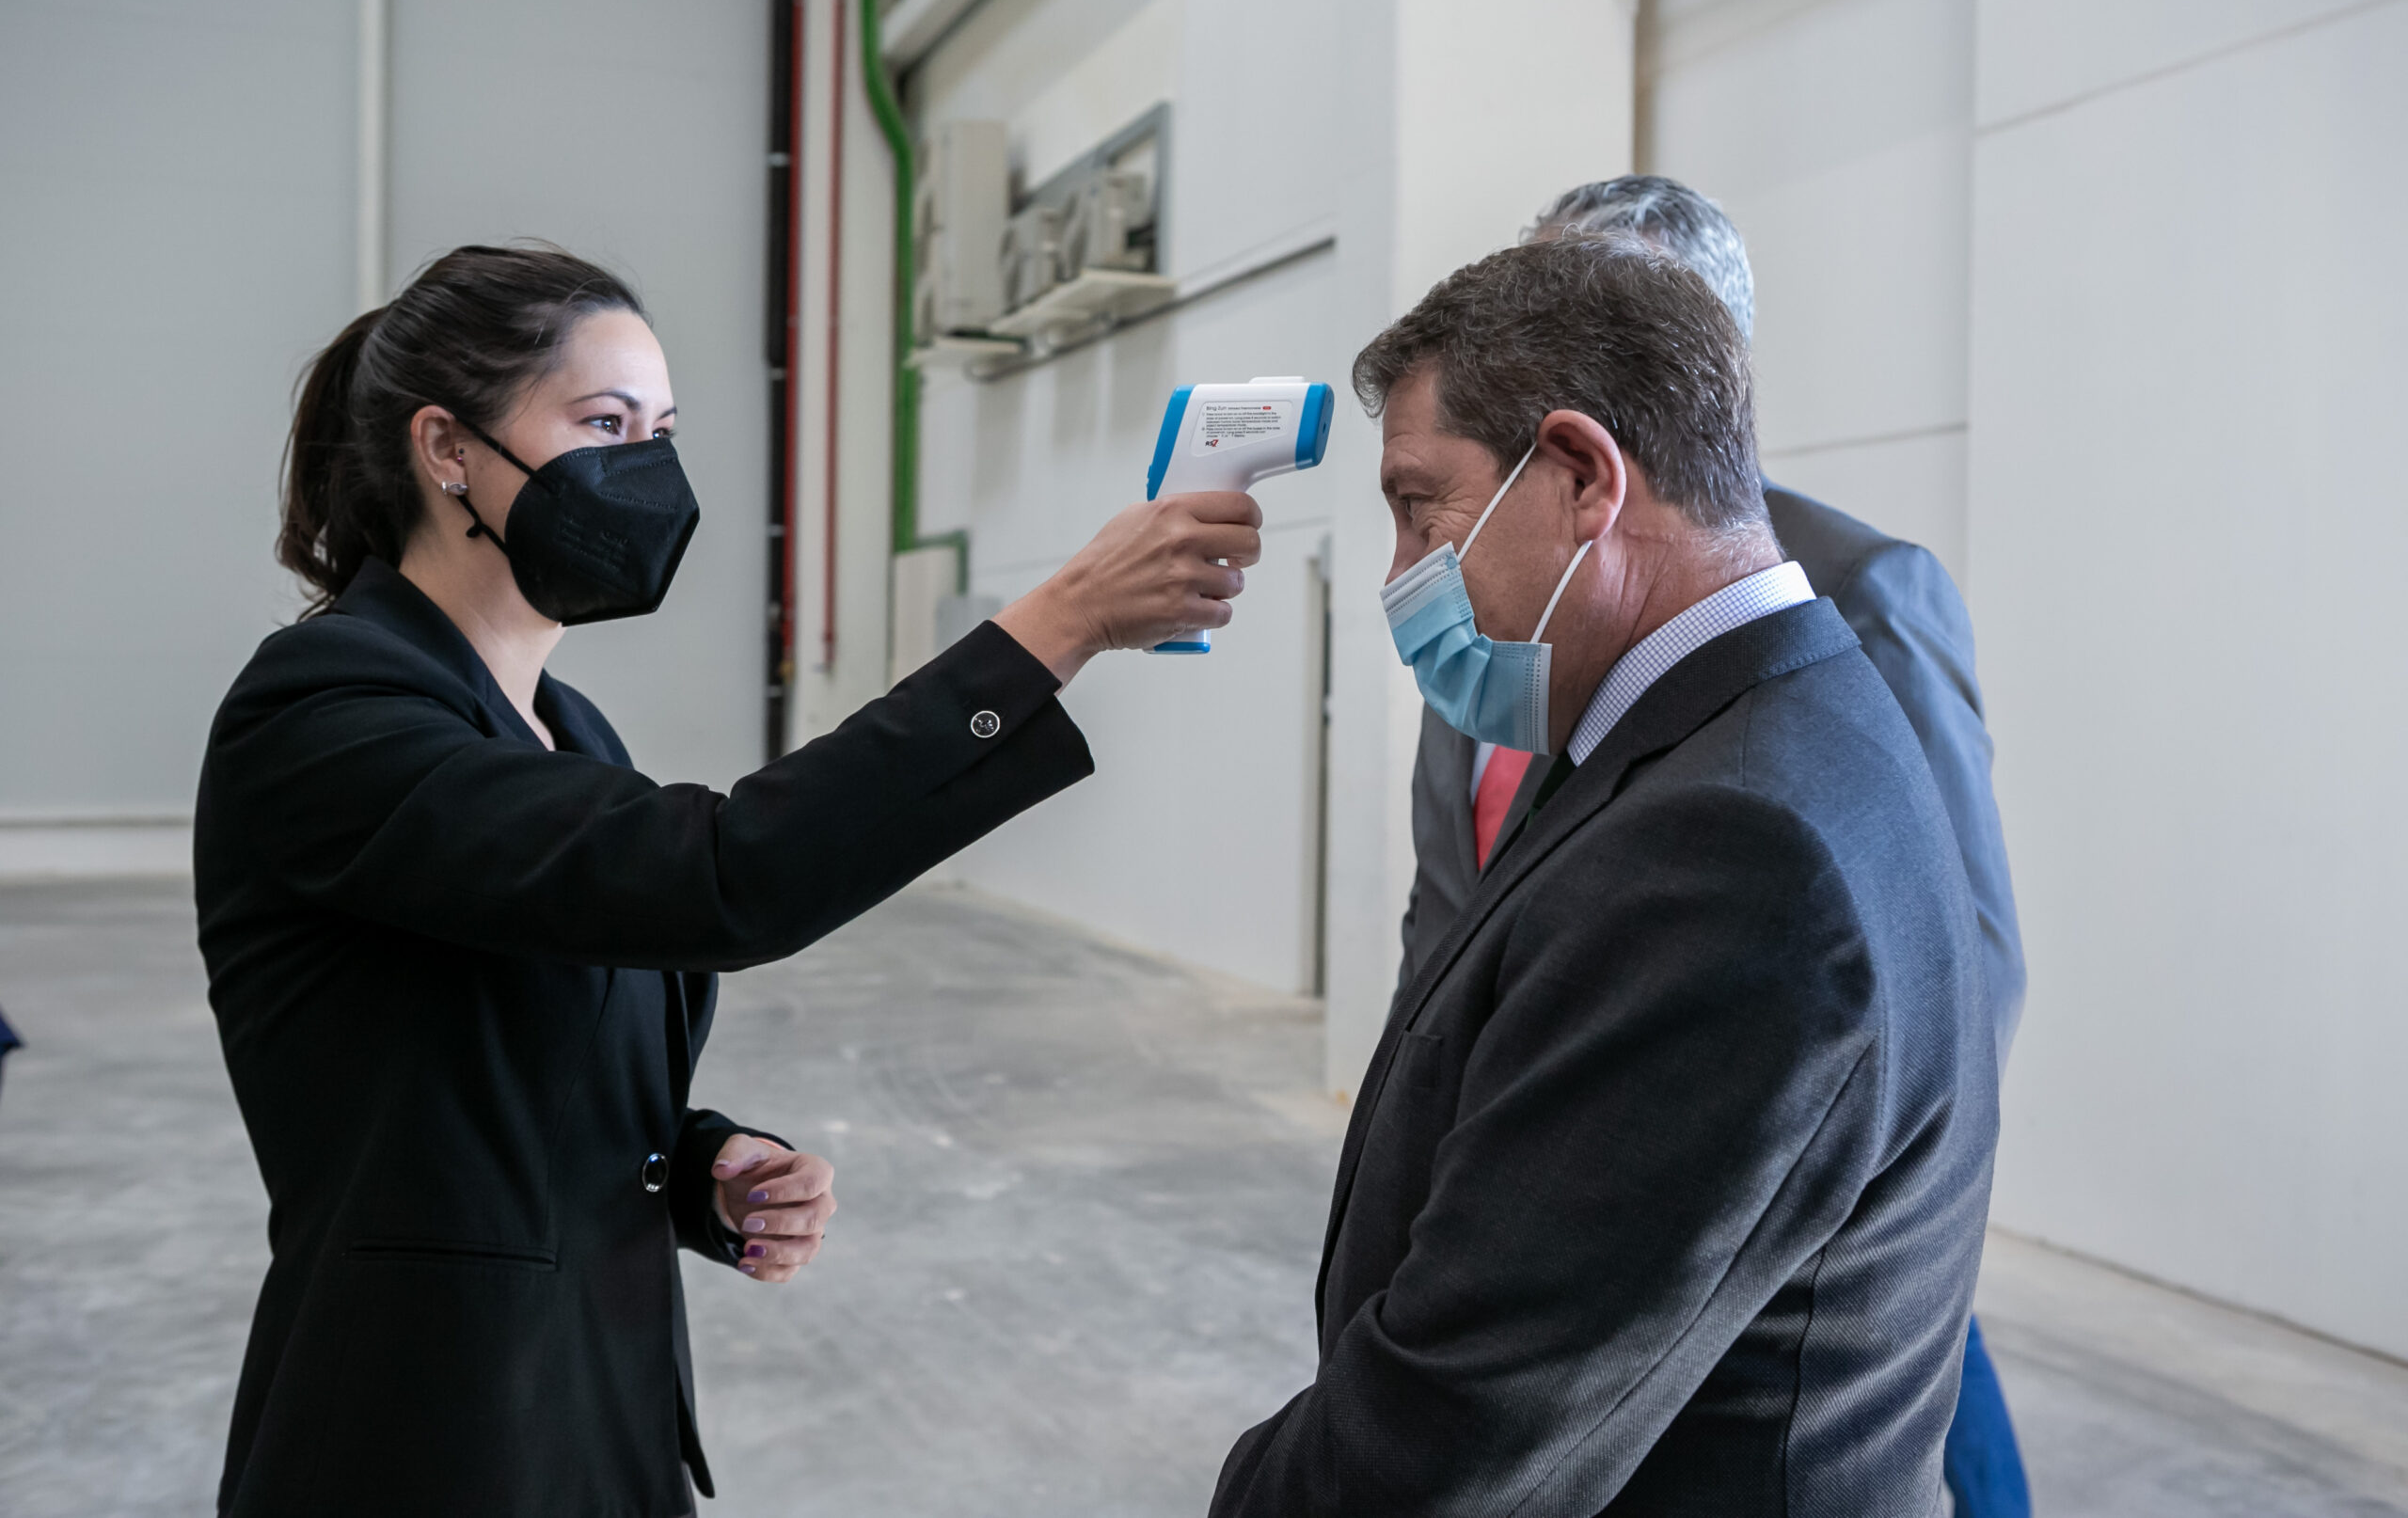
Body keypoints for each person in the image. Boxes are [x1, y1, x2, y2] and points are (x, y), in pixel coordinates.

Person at [196, 244, 1261, 1517]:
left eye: (663, 428)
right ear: (447, 448)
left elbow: (496, 1049)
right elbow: (721, 877)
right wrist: (1061, 623)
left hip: (598, 1410)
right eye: (603, 423)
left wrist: (700, 1165)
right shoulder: (325, 710)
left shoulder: (565, 726)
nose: (645, 465)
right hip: (425, 1433)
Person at [1213, 235, 1996, 1514]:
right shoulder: (1747, 725)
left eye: (1423, 507)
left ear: (1581, 476)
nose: (1404, 574)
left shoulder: (1737, 862)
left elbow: (1462, 1424)